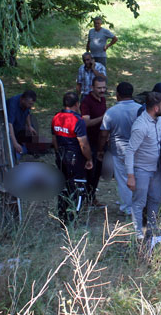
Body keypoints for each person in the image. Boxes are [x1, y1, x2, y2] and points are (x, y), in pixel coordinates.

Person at [125, 92, 161, 239]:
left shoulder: (157, 120)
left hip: (155, 167)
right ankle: (137, 233)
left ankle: (152, 229)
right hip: (142, 169)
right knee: (139, 202)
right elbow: (130, 151)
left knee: (156, 198)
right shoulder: (140, 126)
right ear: (156, 108)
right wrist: (131, 176)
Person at [98, 82, 142, 216]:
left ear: (117, 95)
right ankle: (140, 205)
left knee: (123, 180)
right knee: (139, 178)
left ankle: (128, 207)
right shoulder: (141, 110)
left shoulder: (111, 112)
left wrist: (100, 150)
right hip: (139, 150)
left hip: (119, 151)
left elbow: (104, 134)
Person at [51, 92, 94, 222]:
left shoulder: (56, 117)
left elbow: (54, 139)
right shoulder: (77, 120)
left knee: (62, 186)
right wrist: (89, 158)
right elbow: (83, 144)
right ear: (77, 104)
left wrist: (58, 154)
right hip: (75, 158)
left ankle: (62, 216)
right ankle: (73, 218)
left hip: (61, 156)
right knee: (77, 188)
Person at [80, 76, 107, 206]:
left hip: (101, 141)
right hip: (89, 142)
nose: (102, 90)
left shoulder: (103, 100)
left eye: (103, 87)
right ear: (92, 88)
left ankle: (91, 197)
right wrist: (103, 117)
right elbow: (86, 122)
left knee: (97, 172)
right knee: (90, 172)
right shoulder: (86, 102)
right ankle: (85, 198)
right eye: (99, 88)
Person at [6, 90, 37, 163]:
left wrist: (29, 126)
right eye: (30, 104)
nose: (31, 106)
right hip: (11, 130)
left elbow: (27, 113)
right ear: (22, 100)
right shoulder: (12, 104)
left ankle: (26, 148)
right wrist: (15, 143)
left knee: (32, 136)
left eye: (32, 104)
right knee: (15, 154)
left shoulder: (26, 104)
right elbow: (9, 125)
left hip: (20, 126)